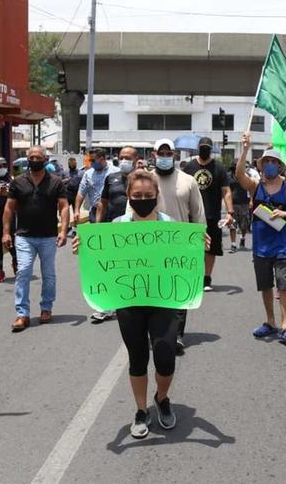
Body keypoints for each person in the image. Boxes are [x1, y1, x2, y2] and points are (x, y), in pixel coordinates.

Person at [71, 170, 203, 438]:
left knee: (165, 357)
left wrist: (199, 245)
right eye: (137, 196)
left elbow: (185, 257)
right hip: (129, 303)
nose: (143, 199)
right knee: (138, 358)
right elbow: (100, 258)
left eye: (148, 195)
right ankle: (141, 410)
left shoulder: (171, 226)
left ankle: (162, 398)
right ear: (129, 197)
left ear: (156, 196)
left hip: (163, 301)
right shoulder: (118, 226)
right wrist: (82, 248)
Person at [235, 134, 286, 343]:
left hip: (282, 246)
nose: (269, 165)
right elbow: (239, 175)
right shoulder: (255, 187)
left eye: (273, 162)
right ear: (261, 165)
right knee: (265, 286)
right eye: (266, 161)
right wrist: (245, 149)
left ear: (279, 165)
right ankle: (270, 322)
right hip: (260, 247)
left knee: (283, 285)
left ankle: (285, 326)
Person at [3, 146, 69, 332]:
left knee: (48, 274)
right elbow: (9, 208)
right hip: (24, 236)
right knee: (23, 271)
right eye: (31, 157)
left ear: (45, 159)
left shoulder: (56, 182)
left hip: (48, 237)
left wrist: (63, 231)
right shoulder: (18, 182)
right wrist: (6, 232)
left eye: (38, 157)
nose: (34, 160)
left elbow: (63, 207)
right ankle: (22, 314)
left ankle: (46, 308)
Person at [151, 139, 206, 354]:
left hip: (182, 245)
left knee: (179, 289)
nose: (165, 156)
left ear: (174, 155)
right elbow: (131, 211)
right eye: (161, 152)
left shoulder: (188, 181)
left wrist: (201, 240)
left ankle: (177, 334)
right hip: (152, 244)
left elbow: (198, 213)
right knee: (155, 289)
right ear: (154, 155)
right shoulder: (146, 180)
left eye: (168, 152)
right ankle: (156, 331)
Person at [86, 146, 139, 324]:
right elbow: (103, 203)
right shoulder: (112, 178)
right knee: (109, 269)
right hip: (113, 231)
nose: (124, 160)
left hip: (137, 234)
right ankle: (105, 308)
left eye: (128, 157)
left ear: (136, 159)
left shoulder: (144, 179)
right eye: (122, 157)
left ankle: (132, 304)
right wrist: (97, 227)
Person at [184, 137, 233, 291]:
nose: (204, 150)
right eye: (202, 147)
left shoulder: (218, 167)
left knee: (210, 248)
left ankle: (207, 277)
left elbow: (226, 191)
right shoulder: (190, 166)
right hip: (192, 215)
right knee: (192, 248)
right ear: (198, 148)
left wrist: (230, 212)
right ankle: (193, 276)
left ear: (211, 149)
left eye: (207, 148)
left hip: (212, 214)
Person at [75, 148, 119, 225]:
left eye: (93, 160)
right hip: (94, 213)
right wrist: (76, 210)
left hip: (112, 212)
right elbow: (81, 193)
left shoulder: (116, 171)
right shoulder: (88, 174)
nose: (91, 163)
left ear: (101, 159)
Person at [228, 160, 251, 253]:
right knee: (232, 224)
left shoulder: (246, 175)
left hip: (244, 203)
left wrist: (252, 201)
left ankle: (243, 238)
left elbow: (251, 187)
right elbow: (226, 190)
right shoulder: (228, 176)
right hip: (232, 203)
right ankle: (233, 244)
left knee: (244, 224)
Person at [64, 157, 85, 235]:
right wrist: (65, 180)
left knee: (76, 212)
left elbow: (84, 184)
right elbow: (59, 182)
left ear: (76, 164)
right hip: (67, 195)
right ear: (68, 164)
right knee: (65, 211)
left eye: (73, 163)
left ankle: (75, 229)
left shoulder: (81, 173)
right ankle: (67, 227)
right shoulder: (65, 172)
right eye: (70, 164)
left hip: (77, 195)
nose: (72, 165)